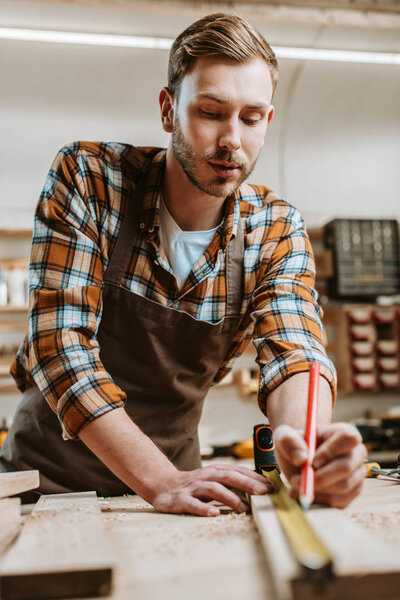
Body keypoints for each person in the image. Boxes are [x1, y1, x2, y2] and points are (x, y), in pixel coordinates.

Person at [0, 13, 366, 513]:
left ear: (268, 121)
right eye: (211, 112)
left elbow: (295, 351)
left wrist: (307, 451)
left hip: (178, 494)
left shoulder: (275, 227)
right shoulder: (90, 180)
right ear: (169, 110)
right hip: (48, 487)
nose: (232, 138)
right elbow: (59, 345)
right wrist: (159, 479)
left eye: (251, 117)